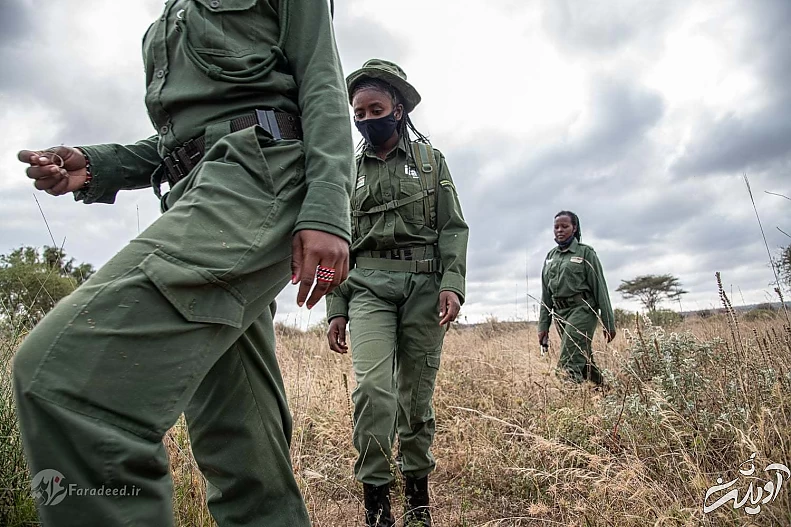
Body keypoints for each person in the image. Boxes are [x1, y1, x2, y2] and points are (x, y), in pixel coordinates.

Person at [13, 1, 353, 526]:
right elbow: (182, 139)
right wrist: (98, 164)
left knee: (64, 381)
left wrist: (330, 209)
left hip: (257, 182)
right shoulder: (171, 14)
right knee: (239, 441)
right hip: (200, 192)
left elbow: (323, 84)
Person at [325, 59, 469, 527]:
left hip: (424, 288)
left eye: (376, 109)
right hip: (366, 287)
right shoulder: (346, 170)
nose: (367, 119)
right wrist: (335, 306)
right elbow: (337, 240)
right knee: (372, 390)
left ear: (399, 109)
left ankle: (418, 501)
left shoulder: (432, 162)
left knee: (415, 398)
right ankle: (377, 506)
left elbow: (452, 228)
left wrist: (452, 284)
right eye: (359, 113)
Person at [537, 211, 616, 385]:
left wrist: (608, 322)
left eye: (565, 226)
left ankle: (572, 402)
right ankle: (604, 390)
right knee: (583, 358)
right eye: (556, 227)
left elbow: (600, 288)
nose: (560, 230)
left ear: (574, 228)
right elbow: (546, 294)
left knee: (568, 363)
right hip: (560, 313)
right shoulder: (550, 257)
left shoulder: (586, 253)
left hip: (583, 311)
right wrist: (543, 325)